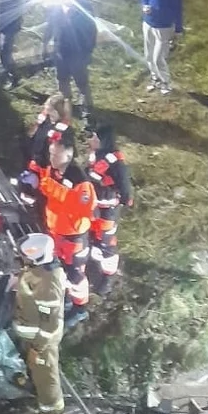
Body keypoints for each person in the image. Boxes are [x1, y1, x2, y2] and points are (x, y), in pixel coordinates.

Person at [26, 128, 96, 327]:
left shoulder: (80, 181)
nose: (52, 158)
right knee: (59, 270)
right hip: (55, 232)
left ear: (69, 153)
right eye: (51, 154)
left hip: (74, 238)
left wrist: (50, 188)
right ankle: (63, 299)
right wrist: (33, 177)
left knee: (75, 275)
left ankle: (80, 307)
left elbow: (83, 208)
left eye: (56, 154)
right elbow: (44, 177)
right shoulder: (53, 169)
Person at [11, 233, 67, 413]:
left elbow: (49, 324)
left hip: (42, 341)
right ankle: (35, 390)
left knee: (46, 376)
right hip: (31, 335)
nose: (22, 259)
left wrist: (38, 349)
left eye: (25, 256)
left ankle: (51, 411)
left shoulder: (49, 285)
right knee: (35, 369)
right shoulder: (40, 270)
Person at [86, 125, 134, 296]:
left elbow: (126, 190)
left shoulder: (115, 161)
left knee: (106, 244)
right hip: (93, 206)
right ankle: (92, 268)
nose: (91, 141)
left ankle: (107, 279)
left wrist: (121, 200)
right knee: (91, 237)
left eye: (95, 138)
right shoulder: (97, 155)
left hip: (107, 211)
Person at [43, 0, 97, 119]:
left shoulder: (82, 11)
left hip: (77, 54)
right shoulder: (56, 10)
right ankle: (67, 106)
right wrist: (45, 46)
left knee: (82, 83)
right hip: (60, 53)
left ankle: (87, 110)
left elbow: (92, 31)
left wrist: (88, 52)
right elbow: (49, 28)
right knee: (62, 80)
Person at [140, 0, 183, 94]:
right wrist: (144, 7)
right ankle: (155, 79)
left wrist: (178, 28)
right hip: (148, 23)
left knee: (158, 58)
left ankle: (165, 83)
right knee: (148, 55)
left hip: (164, 26)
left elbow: (178, 7)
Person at [27, 94, 72, 169]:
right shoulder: (46, 117)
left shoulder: (61, 128)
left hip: (45, 156)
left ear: (57, 111)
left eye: (49, 109)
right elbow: (36, 129)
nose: (46, 109)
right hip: (36, 146)